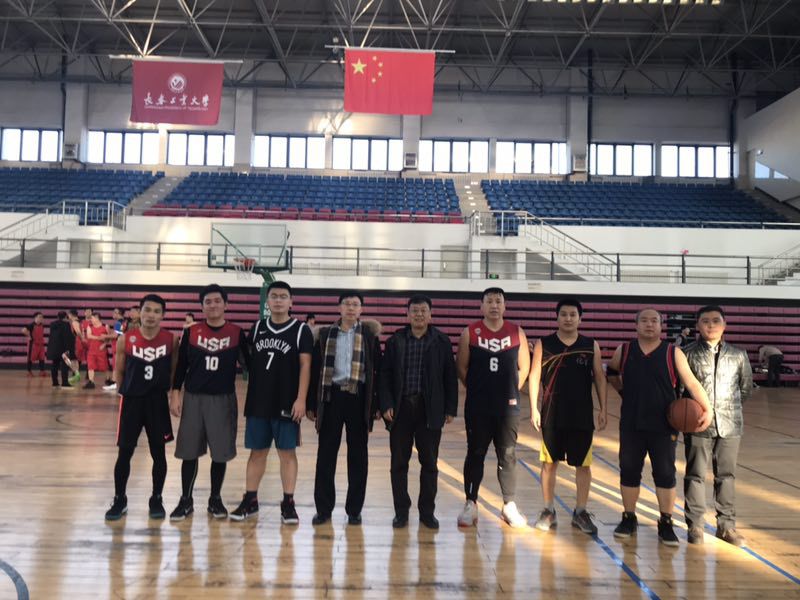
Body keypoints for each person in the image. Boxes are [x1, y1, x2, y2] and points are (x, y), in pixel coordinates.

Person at [606, 308, 712, 546]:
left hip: (664, 425)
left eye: (654, 320)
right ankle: (629, 517)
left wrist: (708, 409)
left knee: (664, 474)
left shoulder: (673, 352)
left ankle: (666, 521)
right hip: (631, 423)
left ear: (661, 325)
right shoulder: (624, 350)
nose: (649, 324)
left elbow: (692, 383)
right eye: (644, 320)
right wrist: (623, 392)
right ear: (636, 325)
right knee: (629, 471)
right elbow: (611, 372)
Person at [229, 281, 313, 524]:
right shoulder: (257, 328)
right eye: (274, 296)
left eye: (283, 296)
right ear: (267, 301)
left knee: (287, 453)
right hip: (258, 401)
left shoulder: (301, 330)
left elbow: (305, 365)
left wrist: (301, 399)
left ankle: (288, 503)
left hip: (287, 402)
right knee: (257, 453)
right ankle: (250, 499)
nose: (278, 300)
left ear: (291, 301)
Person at [169, 284, 249, 521]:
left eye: (217, 301)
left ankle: (215, 499)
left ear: (226, 304)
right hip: (194, 398)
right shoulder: (192, 332)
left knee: (220, 453)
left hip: (223, 399)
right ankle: (186, 500)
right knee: (189, 451)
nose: (213, 305)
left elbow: (250, 366)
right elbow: (181, 365)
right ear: (202, 306)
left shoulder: (236, 333)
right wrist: (175, 393)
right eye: (208, 302)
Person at [528, 298, 607, 535]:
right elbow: (534, 376)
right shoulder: (544, 343)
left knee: (583, 465)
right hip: (552, 414)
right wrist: (533, 408)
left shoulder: (590, 345)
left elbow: (599, 378)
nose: (568, 318)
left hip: (581, 415)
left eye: (573, 314)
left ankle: (580, 511)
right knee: (548, 463)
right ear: (557, 317)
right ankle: (548, 509)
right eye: (564, 314)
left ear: (580, 318)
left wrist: (603, 409)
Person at [379, 294, 458, 530]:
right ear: (407, 314)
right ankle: (401, 512)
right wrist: (385, 404)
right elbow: (384, 375)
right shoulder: (395, 341)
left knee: (430, 463)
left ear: (430, 315)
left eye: (423, 310)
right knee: (398, 463)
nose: (419, 315)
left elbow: (450, 376)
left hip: (429, 410)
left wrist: (450, 408)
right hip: (401, 409)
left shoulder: (442, 341)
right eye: (414, 310)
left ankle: (427, 512)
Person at [455, 287, 530, 528]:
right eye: (490, 301)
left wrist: (510, 391)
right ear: (482, 306)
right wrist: (477, 390)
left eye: (499, 301)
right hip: (478, 407)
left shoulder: (517, 332)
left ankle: (509, 505)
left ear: (505, 306)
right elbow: (461, 368)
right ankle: (471, 503)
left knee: (507, 455)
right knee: (475, 453)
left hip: (507, 408)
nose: (494, 305)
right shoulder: (470, 332)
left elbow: (524, 368)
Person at [307, 291, 381, 526]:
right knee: (326, 456)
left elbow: (377, 371)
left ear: (361, 310)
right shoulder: (325, 334)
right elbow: (315, 370)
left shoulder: (369, 336)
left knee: (358, 457)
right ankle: (323, 509)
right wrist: (311, 403)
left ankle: (354, 510)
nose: (350, 308)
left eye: (355, 304)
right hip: (331, 398)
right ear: (339, 307)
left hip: (358, 399)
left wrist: (376, 405)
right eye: (347, 304)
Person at [682, 305, 753, 546]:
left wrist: (727, 409)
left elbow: (745, 389)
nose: (710, 325)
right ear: (697, 326)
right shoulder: (686, 353)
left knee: (726, 476)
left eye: (715, 320)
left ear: (724, 325)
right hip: (697, 424)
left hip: (730, 424)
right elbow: (680, 390)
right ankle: (695, 525)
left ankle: (726, 526)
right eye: (705, 321)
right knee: (695, 474)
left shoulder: (739, 355)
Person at [104, 294, 179, 521]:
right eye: (147, 310)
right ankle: (120, 499)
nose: (151, 315)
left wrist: (172, 395)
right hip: (132, 401)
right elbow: (119, 371)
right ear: (140, 311)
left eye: (157, 311)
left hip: (157, 402)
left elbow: (174, 371)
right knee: (125, 452)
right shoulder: (126, 339)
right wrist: (124, 392)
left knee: (159, 453)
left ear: (163, 315)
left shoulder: (171, 340)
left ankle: (156, 497)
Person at [46, 311, 75, 388]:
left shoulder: (52, 324)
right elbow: (69, 337)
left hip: (54, 348)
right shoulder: (66, 325)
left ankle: (55, 382)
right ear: (65, 317)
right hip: (64, 348)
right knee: (65, 366)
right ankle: (65, 382)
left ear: (57, 317)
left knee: (54, 365)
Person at [85, 313, 112, 389]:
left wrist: (104, 344)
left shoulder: (105, 326)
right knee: (90, 366)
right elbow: (89, 336)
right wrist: (99, 338)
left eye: (92, 318)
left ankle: (108, 379)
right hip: (91, 349)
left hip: (101, 349)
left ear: (97, 318)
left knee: (105, 366)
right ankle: (91, 381)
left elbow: (109, 337)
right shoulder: (89, 326)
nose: (91, 319)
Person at [103, 307, 127, 391]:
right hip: (119, 344)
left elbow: (115, 335)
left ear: (119, 314)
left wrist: (105, 335)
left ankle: (115, 382)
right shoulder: (123, 322)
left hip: (118, 345)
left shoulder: (119, 323)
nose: (113, 314)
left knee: (116, 364)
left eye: (115, 312)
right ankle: (114, 382)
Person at [22, 312, 47, 377]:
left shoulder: (42, 325)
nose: (41, 318)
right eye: (40, 317)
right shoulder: (31, 325)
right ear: (35, 317)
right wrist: (29, 336)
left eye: (42, 317)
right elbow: (23, 330)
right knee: (30, 358)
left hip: (41, 344)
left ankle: (42, 371)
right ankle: (29, 372)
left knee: (42, 358)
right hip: (33, 345)